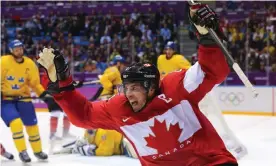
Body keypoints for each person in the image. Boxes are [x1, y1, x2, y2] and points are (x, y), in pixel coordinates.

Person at [38, 4, 238, 166]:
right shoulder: (118, 107)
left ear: (152, 88)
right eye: (127, 87)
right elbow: (84, 115)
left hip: (211, 162)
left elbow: (213, 71)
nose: (128, 94)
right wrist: (62, 89)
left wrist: (208, 39)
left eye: (135, 88)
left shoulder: (176, 88)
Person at [157, 29, 247, 161]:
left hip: (185, 92)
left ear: (174, 50)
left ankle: (224, 144)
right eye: (166, 49)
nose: (168, 51)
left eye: (170, 49)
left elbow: (189, 74)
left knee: (206, 119)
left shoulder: (179, 59)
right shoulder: (160, 58)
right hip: (171, 94)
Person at [1, 40, 48, 162]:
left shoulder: (29, 63)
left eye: (20, 48)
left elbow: (35, 84)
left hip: (24, 99)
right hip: (6, 100)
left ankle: (38, 151)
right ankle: (23, 152)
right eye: (16, 49)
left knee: (32, 126)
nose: (19, 51)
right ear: (11, 51)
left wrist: (44, 95)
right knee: (16, 124)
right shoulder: (4, 61)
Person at [55, 129, 138, 158]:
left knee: (139, 153)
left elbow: (106, 151)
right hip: (124, 146)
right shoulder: (89, 131)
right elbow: (88, 140)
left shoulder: (104, 131)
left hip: (126, 143)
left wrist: (93, 151)